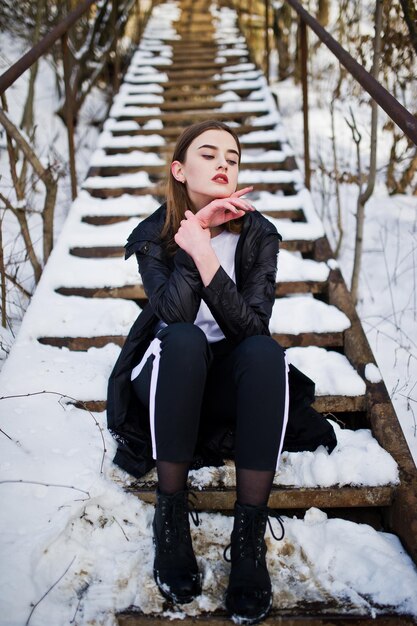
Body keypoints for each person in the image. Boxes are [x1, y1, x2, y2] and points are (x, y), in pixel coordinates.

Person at [106, 120, 336, 624]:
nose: (223, 163)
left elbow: (251, 327)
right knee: (185, 339)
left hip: (231, 380)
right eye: (208, 154)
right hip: (171, 378)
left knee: (264, 352)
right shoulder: (153, 235)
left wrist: (207, 249)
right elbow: (173, 317)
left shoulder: (259, 234)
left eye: (231, 156)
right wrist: (194, 239)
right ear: (179, 170)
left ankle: (248, 536)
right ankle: (171, 520)